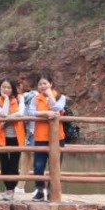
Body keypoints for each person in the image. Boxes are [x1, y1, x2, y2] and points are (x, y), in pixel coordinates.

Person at [29, 74, 66, 202]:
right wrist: (45, 113)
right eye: (40, 84)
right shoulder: (36, 99)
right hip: (40, 136)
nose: (42, 86)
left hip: (57, 137)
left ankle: (52, 191)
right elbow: (31, 112)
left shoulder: (60, 97)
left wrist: (50, 96)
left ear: (51, 83)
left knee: (55, 166)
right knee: (38, 166)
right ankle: (39, 191)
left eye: (45, 83)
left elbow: (58, 108)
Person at [0, 79, 25, 201]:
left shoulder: (19, 99)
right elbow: (4, 113)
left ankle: (11, 189)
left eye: (8, 87)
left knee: (14, 164)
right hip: (2, 137)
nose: (6, 90)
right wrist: (6, 99)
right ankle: (7, 188)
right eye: (3, 87)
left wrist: (6, 121)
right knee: (4, 164)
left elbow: (20, 113)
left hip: (16, 137)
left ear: (13, 89)